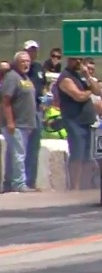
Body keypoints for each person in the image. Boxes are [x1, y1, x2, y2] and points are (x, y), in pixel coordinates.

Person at [57, 56, 102, 190]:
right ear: (68, 60)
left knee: (88, 156)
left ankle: (85, 185)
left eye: (80, 60)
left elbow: (98, 92)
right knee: (77, 155)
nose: (78, 62)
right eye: (75, 59)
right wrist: (90, 90)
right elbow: (79, 96)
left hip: (87, 121)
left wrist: (88, 76)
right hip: (74, 121)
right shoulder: (65, 78)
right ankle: (74, 186)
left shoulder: (81, 76)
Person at [1, 51, 37, 193]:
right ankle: (19, 183)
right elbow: (6, 100)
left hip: (26, 123)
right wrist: (10, 122)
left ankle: (9, 183)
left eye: (27, 61)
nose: (26, 64)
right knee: (19, 154)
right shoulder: (12, 77)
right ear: (15, 63)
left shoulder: (25, 77)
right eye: (22, 61)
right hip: (16, 124)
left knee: (15, 153)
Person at [23, 40, 46, 190]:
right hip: (24, 112)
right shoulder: (20, 70)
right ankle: (20, 181)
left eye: (34, 50)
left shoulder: (38, 67)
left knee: (34, 147)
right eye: (29, 50)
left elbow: (43, 85)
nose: (32, 54)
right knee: (23, 147)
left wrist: (44, 101)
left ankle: (31, 181)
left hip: (37, 110)